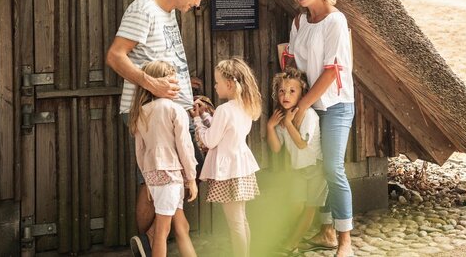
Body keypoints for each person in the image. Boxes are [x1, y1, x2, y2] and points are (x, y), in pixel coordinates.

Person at [106, 0, 210, 252]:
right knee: (152, 181)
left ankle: (156, 236)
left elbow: (156, 55)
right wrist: (154, 85)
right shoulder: (144, 9)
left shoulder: (169, 12)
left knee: (167, 177)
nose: (198, 3)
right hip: (152, 112)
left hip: (173, 109)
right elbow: (115, 56)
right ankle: (152, 240)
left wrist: (186, 87)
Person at [282, 0, 355, 257]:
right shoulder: (299, 22)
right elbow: (291, 64)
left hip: (335, 105)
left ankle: (345, 241)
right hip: (308, 107)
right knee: (313, 169)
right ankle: (325, 231)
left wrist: (302, 106)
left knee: (332, 168)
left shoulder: (335, 21)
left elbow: (331, 72)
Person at [128, 61, 198, 257]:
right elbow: (185, 147)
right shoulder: (175, 110)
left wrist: (149, 182)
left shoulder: (140, 112)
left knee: (180, 226)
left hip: (153, 176)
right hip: (171, 175)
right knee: (162, 232)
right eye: (173, 82)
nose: (177, 87)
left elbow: (140, 152)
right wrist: (191, 178)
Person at [194, 58, 262, 257]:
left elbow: (210, 140)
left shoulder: (224, 109)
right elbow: (223, 129)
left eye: (217, 82)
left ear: (230, 85)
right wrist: (206, 116)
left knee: (235, 223)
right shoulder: (245, 107)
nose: (215, 86)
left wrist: (197, 120)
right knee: (241, 220)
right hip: (241, 168)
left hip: (228, 172)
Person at [266, 68, 328, 255]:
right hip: (298, 170)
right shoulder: (282, 118)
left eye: (292, 91)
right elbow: (276, 148)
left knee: (309, 209)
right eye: (282, 91)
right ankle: (284, 235)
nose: (286, 95)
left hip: (316, 167)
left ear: (302, 93)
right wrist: (270, 127)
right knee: (295, 206)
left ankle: (291, 243)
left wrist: (290, 124)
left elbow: (301, 144)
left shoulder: (309, 115)